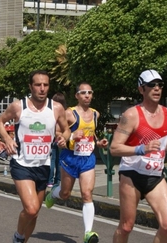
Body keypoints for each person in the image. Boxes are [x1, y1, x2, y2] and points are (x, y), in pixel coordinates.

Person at [0, 70, 70, 243]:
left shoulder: (56, 108)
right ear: (30, 87)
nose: (42, 89)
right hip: (22, 164)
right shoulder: (18, 106)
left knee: (35, 214)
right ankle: (18, 237)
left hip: (43, 165)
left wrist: (62, 138)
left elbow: (66, 130)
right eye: (38, 85)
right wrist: (7, 138)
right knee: (30, 209)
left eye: (46, 85)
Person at [110, 69, 167, 243]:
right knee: (126, 226)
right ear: (141, 89)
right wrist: (141, 149)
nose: (157, 88)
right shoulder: (131, 115)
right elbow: (114, 148)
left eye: (160, 85)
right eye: (151, 85)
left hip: (155, 176)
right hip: (131, 174)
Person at [45, 83, 109, 243]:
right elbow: (57, 131)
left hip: (87, 158)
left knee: (87, 194)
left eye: (89, 92)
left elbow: (91, 133)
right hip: (70, 157)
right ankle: (53, 193)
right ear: (77, 96)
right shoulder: (69, 113)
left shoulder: (96, 114)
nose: (87, 95)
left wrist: (98, 142)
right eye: (83, 93)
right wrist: (71, 136)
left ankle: (88, 233)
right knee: (65, 193)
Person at [47, 92, 67, 188]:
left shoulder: (51, 112)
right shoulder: (65, 113)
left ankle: (50, 180)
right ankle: (58, 181)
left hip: (53, 140)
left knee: (52, 161)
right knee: (59, 161)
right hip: (62, 140)